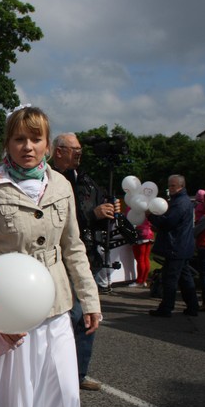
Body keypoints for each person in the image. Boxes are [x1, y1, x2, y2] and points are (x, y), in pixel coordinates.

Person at [0, 106, 102, 407]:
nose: (27, 146)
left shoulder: (61, 186)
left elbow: (74, 248)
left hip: (55, 308)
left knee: (62, 391)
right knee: (14, 398)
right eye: (19, 139)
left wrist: (90, 299)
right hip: (9, 313)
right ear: (7, 143)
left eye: (35, 138)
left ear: (48, 145)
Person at [51, 132, 117, 391]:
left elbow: (95, 208)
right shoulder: (49, 180)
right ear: (58, 151)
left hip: (86, 256)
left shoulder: (86, 179)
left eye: (80, 149)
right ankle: (55, 373)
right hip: (58, 259)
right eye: (73, 149)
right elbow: (62, 222)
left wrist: (108, 211)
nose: (79, 153)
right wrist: (92, 214)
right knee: (67, 316)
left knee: (87, 316)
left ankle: (78, 374)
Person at [148, 174, 199, 318]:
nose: (170, 188)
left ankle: (166, 308)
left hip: (176, 246)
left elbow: (169, 222)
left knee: (170, 279)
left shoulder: (180, 203)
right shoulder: (182, 201)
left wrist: (151, 216)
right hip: (181, 245)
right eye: (169, 185)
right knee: (184, 278)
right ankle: (192, 306)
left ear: (181, 186)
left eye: (173, 185)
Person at [130, 212, 154, 288]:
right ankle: (144, 280)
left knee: (140, 259)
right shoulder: (149, 208)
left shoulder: (134, 208)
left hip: (141, 234)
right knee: (145, 258)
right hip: (149, 234)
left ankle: (139, 281)